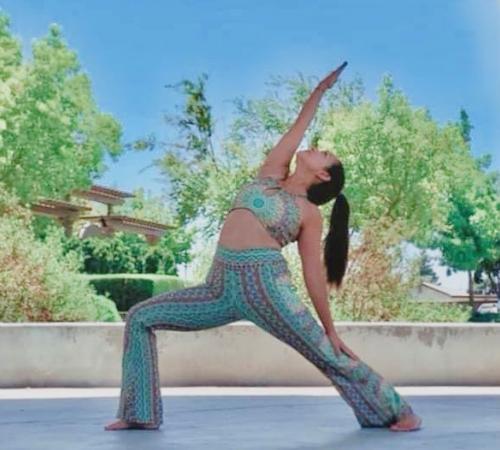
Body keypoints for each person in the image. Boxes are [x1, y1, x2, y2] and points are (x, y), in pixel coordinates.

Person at [105, 61, 422, 432]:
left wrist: (330, 328)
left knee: (326, 353)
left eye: (324, 155)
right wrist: (318, 92)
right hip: (219, 287)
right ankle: (138, 414)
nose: (317, 148)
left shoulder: (308, 213)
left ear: (322, 175)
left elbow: (312, 272)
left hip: (268, 288)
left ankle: (399, 411)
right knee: (141, 317)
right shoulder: (270, 176)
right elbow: (296, 129)